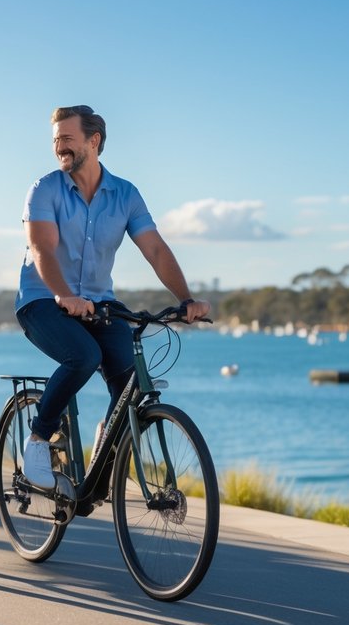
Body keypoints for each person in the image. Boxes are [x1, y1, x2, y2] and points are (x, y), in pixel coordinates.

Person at [16, 105, 210, 488]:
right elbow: (42, 249)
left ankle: (104, 448)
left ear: (94, 141)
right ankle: (38, 440)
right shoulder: (44, 189)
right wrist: (64, 295)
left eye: (67, 139)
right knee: (83, 356)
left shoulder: (125, 194)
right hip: (43, 299)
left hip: (99, 303)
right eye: (56, 141)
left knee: (130, 384)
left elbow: (154, 248)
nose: (60, 148)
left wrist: (187, 298)